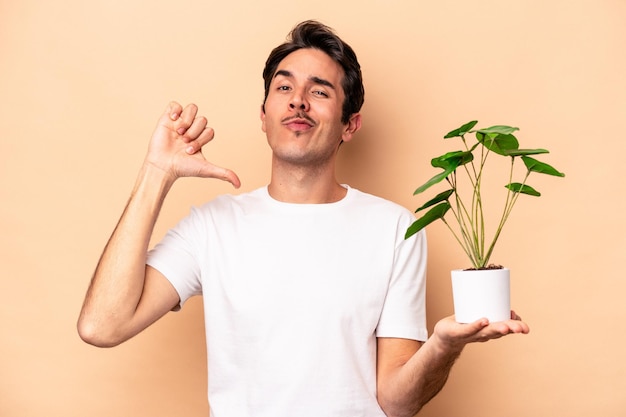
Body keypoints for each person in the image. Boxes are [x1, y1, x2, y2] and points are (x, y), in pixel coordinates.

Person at [78, 20, 529, 417]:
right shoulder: (212, 226)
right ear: (264, 115)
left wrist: (443, 346)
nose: (298, 102)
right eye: (283, 87)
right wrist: (158, 172)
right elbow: (101, 326)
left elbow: (396, 401)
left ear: (350, 124)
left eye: (319, 91)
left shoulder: (395, 229)